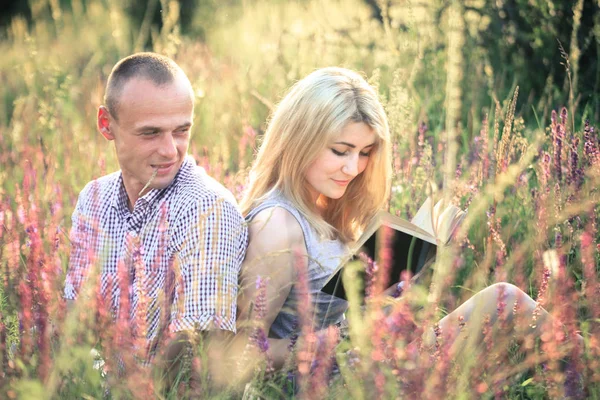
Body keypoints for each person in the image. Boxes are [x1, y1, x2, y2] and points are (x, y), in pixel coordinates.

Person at [235, 67, 583, 395]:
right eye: (340, 151)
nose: (353, 167)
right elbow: (238, 355)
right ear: (300, 140)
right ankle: (589, 365)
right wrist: (324, 342)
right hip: (332, 388)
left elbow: (344, 316)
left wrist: (395, 299)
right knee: (504, 300)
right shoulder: (277, 225)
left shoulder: (321, 206)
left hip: (363, 369)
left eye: (365, 152)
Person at [63, 53, 248, 384]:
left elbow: (196, 352)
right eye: (150, 133)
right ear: (106, 124)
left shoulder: (207, 210)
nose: (170, 150)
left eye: (181, 130)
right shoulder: (93, 200)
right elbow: (74, 319)